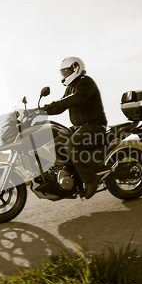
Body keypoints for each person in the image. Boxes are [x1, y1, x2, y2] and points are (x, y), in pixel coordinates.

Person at [42, 57, 107, 199]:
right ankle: (72, 177)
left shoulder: (85, 82)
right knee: (54, 145)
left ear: (75, 68)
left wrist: (53, 104)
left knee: (71, 145)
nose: (64, 75)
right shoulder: (71, 87)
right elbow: (61, 106)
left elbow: (78, 99)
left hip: (94, 126)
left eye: (66, 72)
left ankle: (91, 180)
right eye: (62, 72)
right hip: (79, 127)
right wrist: (41, 111)